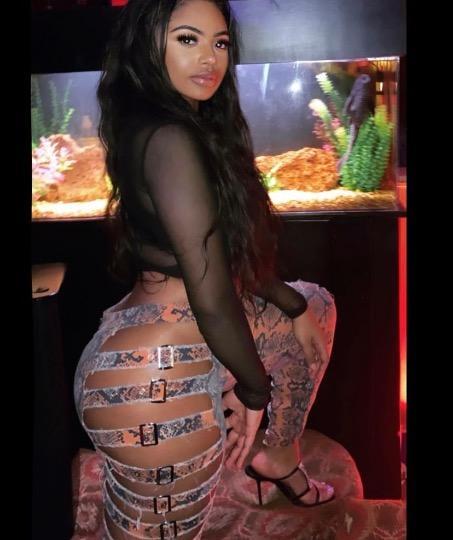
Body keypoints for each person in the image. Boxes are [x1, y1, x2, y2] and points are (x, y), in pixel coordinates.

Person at [74, 1, 336, 538]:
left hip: (144, 351)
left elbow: (217, 260)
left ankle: (277, 458)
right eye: (188, 39)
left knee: (317, 305)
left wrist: (293, 304)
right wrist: (254, 393)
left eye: (220, 43)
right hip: (157, 378)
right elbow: (212, 294)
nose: (210, 58)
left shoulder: (159, 124)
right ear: (149, 43)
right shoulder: (170, 139)